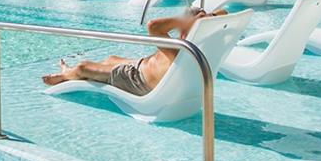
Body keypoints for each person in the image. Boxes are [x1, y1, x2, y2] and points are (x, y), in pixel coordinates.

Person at [42, 7, 228, 96]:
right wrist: (208, 17)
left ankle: (66, 74)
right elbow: (224, 12)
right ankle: (73, 71)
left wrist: (185, 21)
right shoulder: (200, 44)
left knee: (83, 67)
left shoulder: (182, 49)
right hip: (140, 66)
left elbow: (153, 26)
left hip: (136, 79)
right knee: (111, 58)